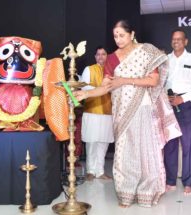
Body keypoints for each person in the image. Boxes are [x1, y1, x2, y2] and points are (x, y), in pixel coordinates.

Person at [74, 20, 181, 207]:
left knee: (145, 151)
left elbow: (153, 80)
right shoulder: (112, 59)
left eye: (122, 35)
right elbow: (106, 87)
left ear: (131, 34)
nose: (118, 39)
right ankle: (126, 192)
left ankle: (147, 191)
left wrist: (123, 80)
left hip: (143, 108)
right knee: (124, 152)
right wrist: (86, 93)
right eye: (115, 36)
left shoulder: (146, 51)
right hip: (121, 112)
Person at [164, 29, 191, 195]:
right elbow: (161, 83)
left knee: (188, 144)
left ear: (186, 41)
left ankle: (188, 182)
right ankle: (170, 181)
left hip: (186, 105)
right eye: (174, 39)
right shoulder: (165, 60)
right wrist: (165, 98)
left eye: (179, 39)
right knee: (170, 145)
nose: (176, 42)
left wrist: (183, 98)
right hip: (168, 105)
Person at [80, 46, 114, 181]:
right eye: (98, 54)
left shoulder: (112, 71)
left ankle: (100, 171)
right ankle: (90, 170)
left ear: (107, 56)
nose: (101, 56)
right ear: (95, 57)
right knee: (91, 142)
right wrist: (101, 89)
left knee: (103, 142)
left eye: (103, 54)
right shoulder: (89, 69)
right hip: (92, 110)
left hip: (107, 111)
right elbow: (84, 87)